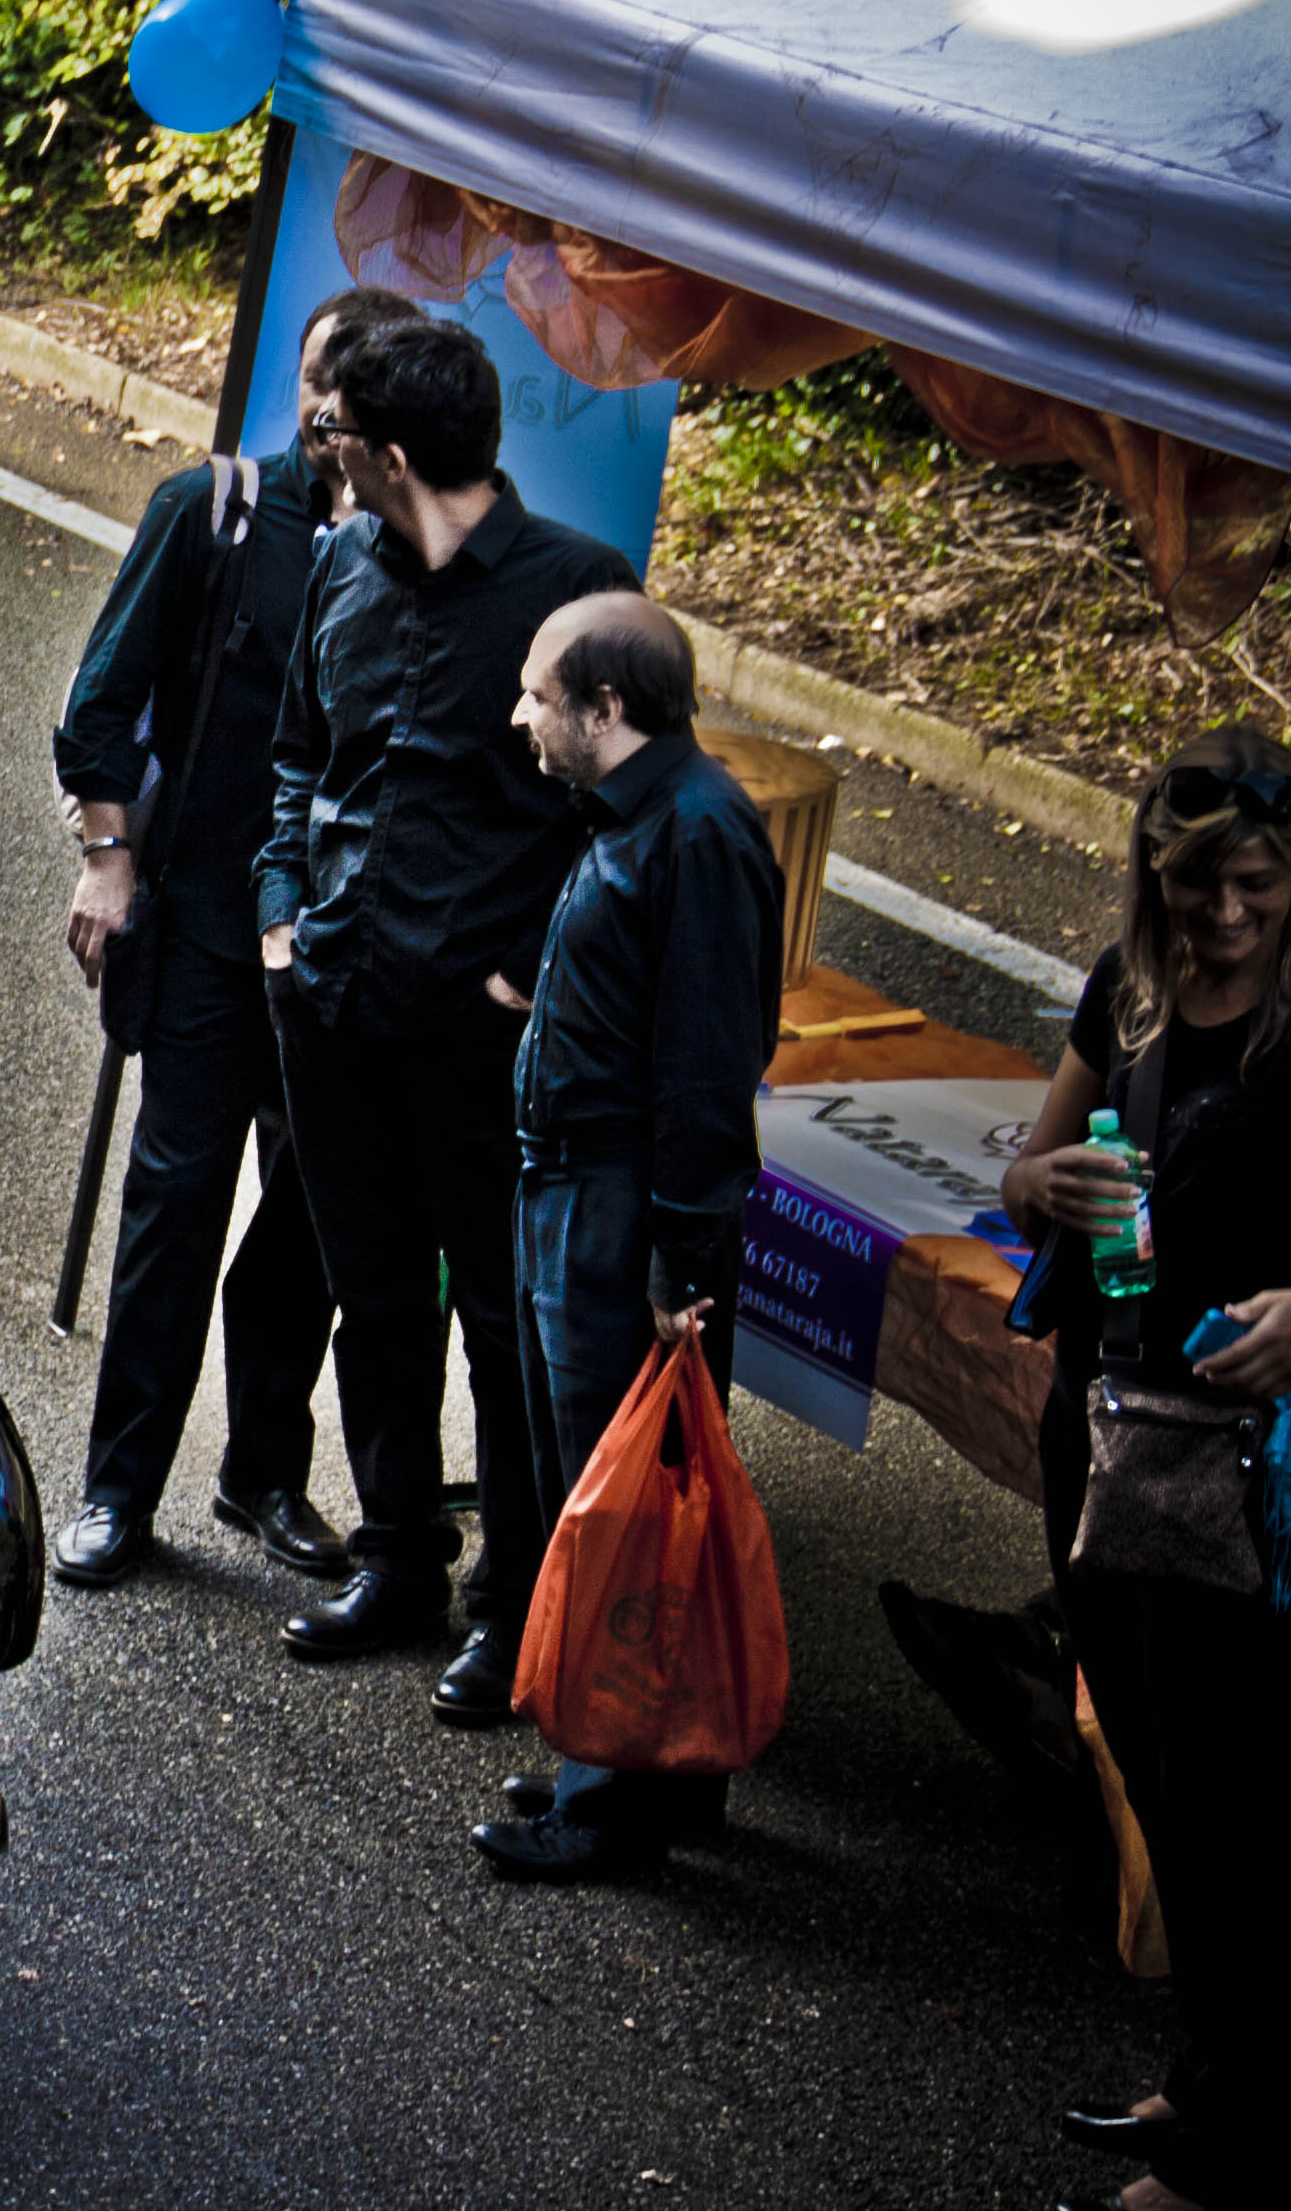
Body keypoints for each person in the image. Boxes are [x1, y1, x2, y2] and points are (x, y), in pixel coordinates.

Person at [257, 318, 640, 1713]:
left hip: (485, 1038)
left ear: (395, 453)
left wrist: (535, 975)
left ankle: (511, 1603)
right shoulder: (337, 566)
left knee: (500, 1316)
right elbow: (300, 751)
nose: (321, 451)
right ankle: (399, 1557)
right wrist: (280, 916)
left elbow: (628, 815)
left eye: (337, 433)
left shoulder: (580, 595)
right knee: (373, 1300)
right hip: (335, 1005)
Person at [998, 729, 1291, 2211]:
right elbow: (1021, 1168)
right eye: (1199, 888)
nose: (1226, 920)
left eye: (1255, 888)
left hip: (1268, 1475)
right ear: (1154, 875)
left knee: (1252, 1807)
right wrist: (1042, 1184)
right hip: (1114, 1437)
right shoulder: (1128, 993)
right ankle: (1207, 2086)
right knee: (1161, 1781)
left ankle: (1246, 2153)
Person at [45, 287, 420, 1594]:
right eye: (324, 384)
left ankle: (262, 1469)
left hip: (344, 950)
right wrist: (108, 860)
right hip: (207, 918)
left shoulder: (422, 552)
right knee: (177, 1199)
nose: (334, 416)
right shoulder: (213, 516)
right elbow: (102, 701)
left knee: (312, 1218)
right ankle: (117, 1488)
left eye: (362, 394)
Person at [465, 592, 780, 1880]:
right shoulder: (629, 815)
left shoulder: (699, 835)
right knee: (595, 1483)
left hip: (619, 1213)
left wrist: (679, 1260)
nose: (520, 715)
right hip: (571, 1193)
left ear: (607, 712)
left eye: (539, 695)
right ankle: (637, 1766)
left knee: (620, 1506)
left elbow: (709, 1066)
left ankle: (611, 1810)